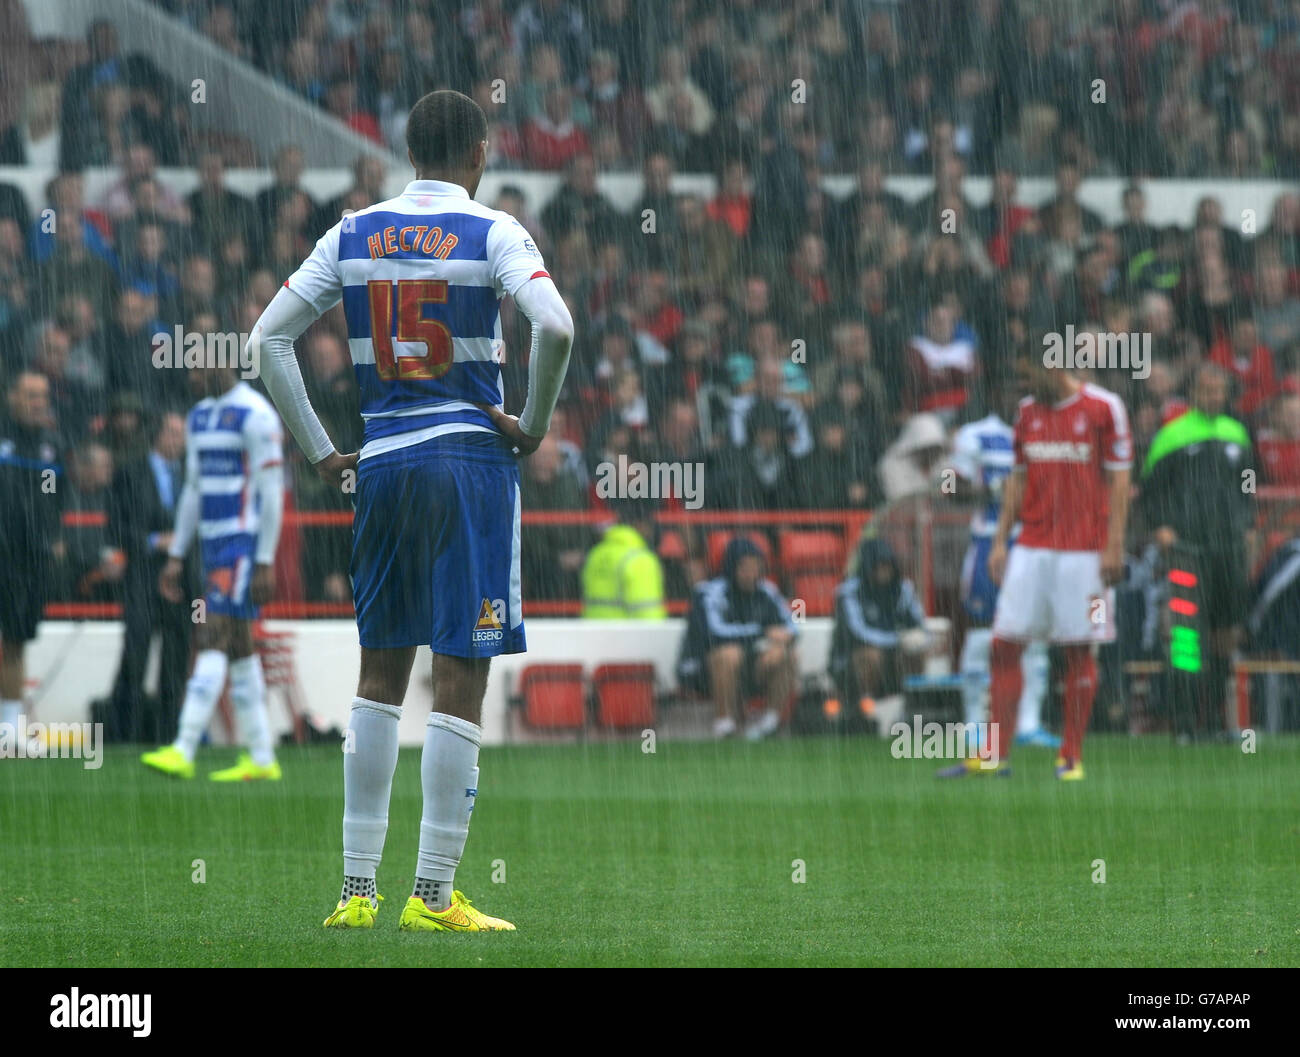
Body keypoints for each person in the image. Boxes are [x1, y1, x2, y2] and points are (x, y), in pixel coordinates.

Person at [248, 90, 574, 933]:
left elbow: (266, 341)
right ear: (481, 149)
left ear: (406, 148)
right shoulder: (495, 230)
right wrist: (532, 426)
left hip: (383, 464)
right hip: (467, 461)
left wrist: (323, 450)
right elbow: (557, 326)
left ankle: (356, 891)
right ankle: (432, 894)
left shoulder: (353, 232)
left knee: (380, 674)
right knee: (460, 671)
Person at [946, 354, 1131, 780]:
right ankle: (995, 754)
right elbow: (1019, 478)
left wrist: (1114, 544)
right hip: (1030, 548)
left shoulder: (1104, 408)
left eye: (1027, 375)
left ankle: (1070, 756)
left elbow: (1119, 478)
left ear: (1053, 366)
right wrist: (1000, 541)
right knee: (1004, 644)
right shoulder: (1028, 413)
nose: (1023, 386)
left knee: (1078, 650)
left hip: (1085, 553)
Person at [139, 363, 285, 781]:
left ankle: (183, 748)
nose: (191, 368)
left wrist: (264, 558)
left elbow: (272, 490)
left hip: (242, 542)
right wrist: (178, 554)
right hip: (212, 545)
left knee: (211, 634)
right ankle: (260, 757)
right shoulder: (198, 416)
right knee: (239, 647)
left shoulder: (255, 414)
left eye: (200, 358)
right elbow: (193, 489)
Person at [1137, 364, 1254, 741]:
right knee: (1186, 636)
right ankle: (1184, 723)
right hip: (1187, 548)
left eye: (1219, 392)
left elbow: (1248, 483)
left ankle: (1219, 722)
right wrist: (1161, 528)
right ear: (1194, 394)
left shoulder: (1236, 434)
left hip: (1228, 549)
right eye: (1207, 391)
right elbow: (1150, 491)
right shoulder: (1172, 436)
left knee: (1223, 636)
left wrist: (1246, 522)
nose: (1214, 398)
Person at [947, 381, 1055, 752]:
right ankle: (974, 725)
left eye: (1027, 391)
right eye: (1014, 390)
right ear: (996, 393)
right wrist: (990, 492)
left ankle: (1028, 723)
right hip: (990, 540)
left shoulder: (1044, 432)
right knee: (983, 630)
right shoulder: (976, 435)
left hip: (1034, 544)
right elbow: (948, 485)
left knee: (1036, 634)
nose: (1021, 398)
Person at [106, 411, 191, 743]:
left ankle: (169, 737)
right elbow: (116, 525)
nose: (178, 439)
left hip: (180, 579)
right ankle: (122, 735)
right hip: (142, 574)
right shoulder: (130, 472)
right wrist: (156, 541)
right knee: (135, 654)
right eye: (173, 432)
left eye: (182, 433)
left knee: (176, 659)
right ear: (157, 435)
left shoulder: (189, 475)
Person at [676, 537, 798, 740]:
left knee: (788, 655)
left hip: (752, 667)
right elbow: (715, 633)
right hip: (701, 670)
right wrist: (763, 633)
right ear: (732, 567)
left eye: (757, 568)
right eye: (746, 568)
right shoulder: (708, 593)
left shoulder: (767, 591)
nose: (752, 574)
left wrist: (779, 645)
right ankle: (724, 722)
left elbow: (791, 628)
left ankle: (769, 723)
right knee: (729, 654)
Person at [0, 372, 61, 746]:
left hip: (28, 560)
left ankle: (9, 729)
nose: (37, 402)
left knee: (17, 640)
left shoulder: (49, 448)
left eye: (41, 395)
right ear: (12, 397)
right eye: (29, 395)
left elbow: (52, 499)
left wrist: (52, 539)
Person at [829, 537, 928, 727]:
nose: (884, 570)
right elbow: (858, 633)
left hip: (892, 657)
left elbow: (919, 624)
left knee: (916, 649)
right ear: (869, 567)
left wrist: (920, 640)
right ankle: (865, 710)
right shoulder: (849, 592)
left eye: (888, 565)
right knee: (871, 654)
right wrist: (897, 640)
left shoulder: (903, 590)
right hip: (848, 662)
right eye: (879, 565)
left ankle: (909, 707)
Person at [581, 498, 666, 619]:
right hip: (626, 635)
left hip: (592, 632)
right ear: (640, 525)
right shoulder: (641, 560)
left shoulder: (595, 554)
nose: (651, 531)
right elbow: (648, 613)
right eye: (649, 526)